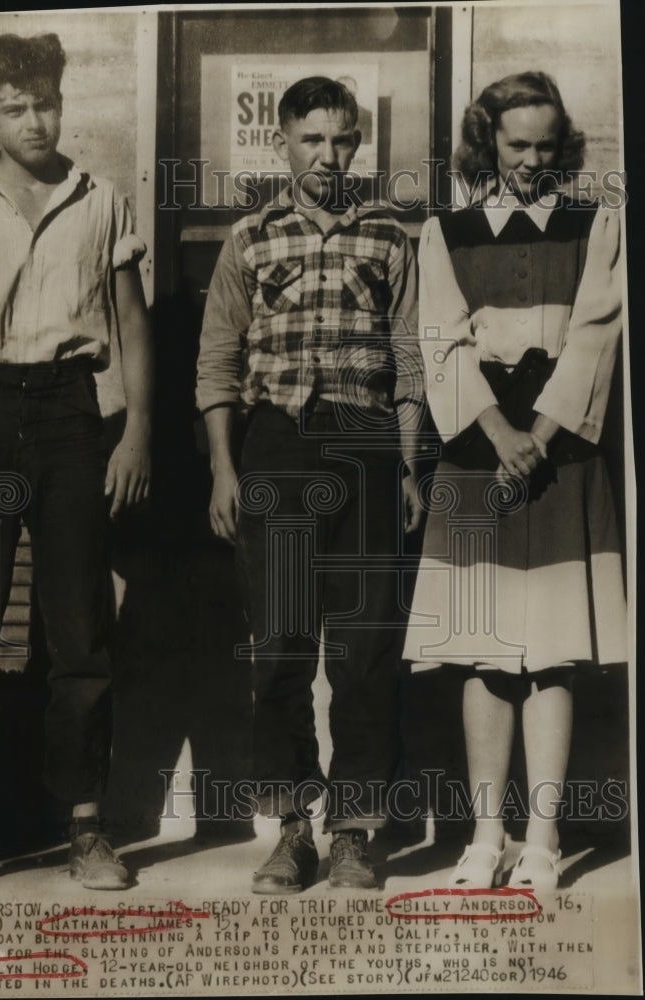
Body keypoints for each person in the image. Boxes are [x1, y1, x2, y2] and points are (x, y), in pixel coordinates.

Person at [0, 32, 153, 891]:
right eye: (16, 108)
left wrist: (139, 432)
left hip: (71, 415)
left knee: (81, 631)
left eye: (46, 101)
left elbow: (132, 324)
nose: (36, 120)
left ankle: (86, 828)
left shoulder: (102, 197)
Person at [197, 76, 425, 892]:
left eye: (342, 139)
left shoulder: (392, 239)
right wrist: (227, 468)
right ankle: (291, 829)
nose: (329, 155)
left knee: (365, 650)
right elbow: (218, 363)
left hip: (365, 445)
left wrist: (404, 464)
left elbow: (408, 364)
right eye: (312, 140)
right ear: (284, 143)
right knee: (283, 648)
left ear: (359, 142)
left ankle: (356, 832)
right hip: (276, 447)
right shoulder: (250, 237)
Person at [403, 71, 627, 890]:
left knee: (554, 655)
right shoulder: (446, 227)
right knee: (485, 653)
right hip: (478, 450)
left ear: (562, 146)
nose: (530, 161)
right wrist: (498, 431)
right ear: (486, 141)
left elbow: (597, 334)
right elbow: (437, 340)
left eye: (544, 146)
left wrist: (541, 431)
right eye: (514, 144)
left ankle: (542, 840)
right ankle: (484, 836)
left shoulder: (595, 221)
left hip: (561, 450)